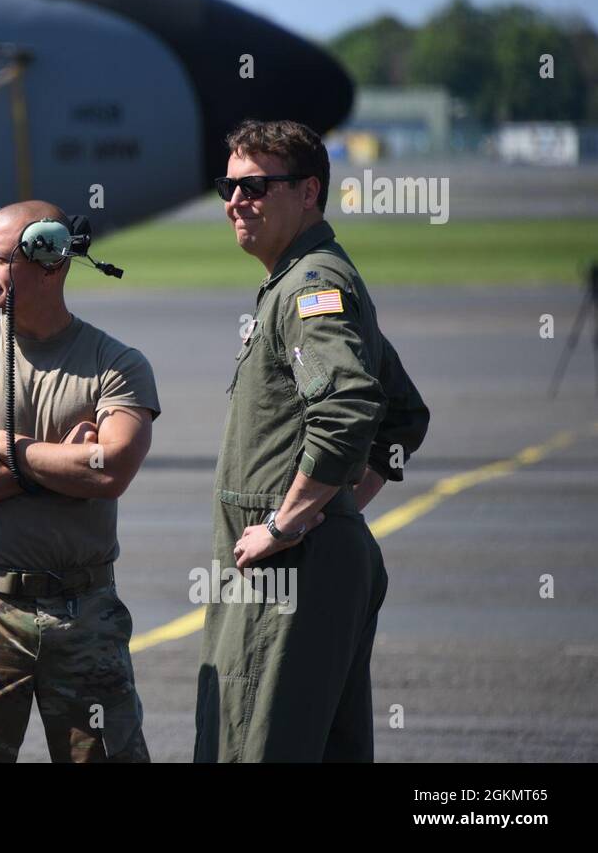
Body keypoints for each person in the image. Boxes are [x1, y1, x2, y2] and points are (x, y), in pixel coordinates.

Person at [194, 120, 430, 762]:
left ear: (308, 192)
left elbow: (352, 404)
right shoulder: (308, 278)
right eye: (228, 186)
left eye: (256, 186)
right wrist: (337, 507)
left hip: (288, 573)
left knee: (252, 744)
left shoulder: (307, 288)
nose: (236, 201)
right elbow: (400, 416)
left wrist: (289, 521)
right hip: (309, 564)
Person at [0, 200, 159, 763]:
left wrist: (4, 450)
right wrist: (61, 466)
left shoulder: (116, 363)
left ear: (52, 261)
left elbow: (112, 469)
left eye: (1, 260)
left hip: (84, 609)